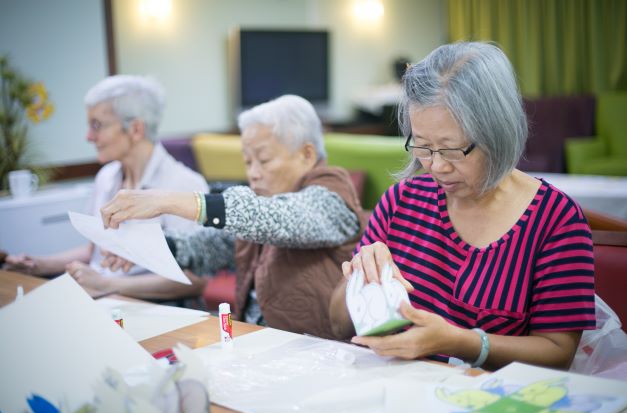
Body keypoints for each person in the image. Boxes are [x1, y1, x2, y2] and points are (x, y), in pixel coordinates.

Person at [329, 42, 595, 370]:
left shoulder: (556, 220)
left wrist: (459, 341)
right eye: (422, 146)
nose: (436, 166)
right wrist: (359, 280)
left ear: (498, 131)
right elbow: (339, 324)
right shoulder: (401, 201)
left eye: (453, 149)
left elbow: (557, 353)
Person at [99, 94, 366, 339]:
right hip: (257, 341)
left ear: (307, 154)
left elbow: (275, 218)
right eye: (248, 162)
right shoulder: (265, 199)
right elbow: (210, 246)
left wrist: (167, 201)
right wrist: (145, 247)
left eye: (264, 160)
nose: (254, 173)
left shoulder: (332, 194)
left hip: (314, 351)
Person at [4, 75, 209, 302]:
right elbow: (92, 252)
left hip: (156, 310)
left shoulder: (184, 186)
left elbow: (195, 280)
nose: (89, 136)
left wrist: (107, 285)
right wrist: (37, 265)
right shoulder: (107, 176)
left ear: (136, 129)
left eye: (97, 125)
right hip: (103, 299)